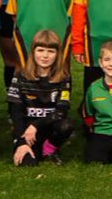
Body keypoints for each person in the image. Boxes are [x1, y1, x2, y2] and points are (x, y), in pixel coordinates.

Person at [7, 30, 73, 166]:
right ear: (33, 52)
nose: (45, 56)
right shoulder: (20, 76)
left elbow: (62, 111)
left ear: (57, 54)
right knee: (27, 164)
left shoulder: (64, 77)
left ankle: (50, 149)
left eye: (51, 51)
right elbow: (15, 112)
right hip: (26, 130)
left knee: (66, 125)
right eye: (41, 50)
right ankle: (30, 147)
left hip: (48, 126)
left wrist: (35, 125)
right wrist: (22, 142)